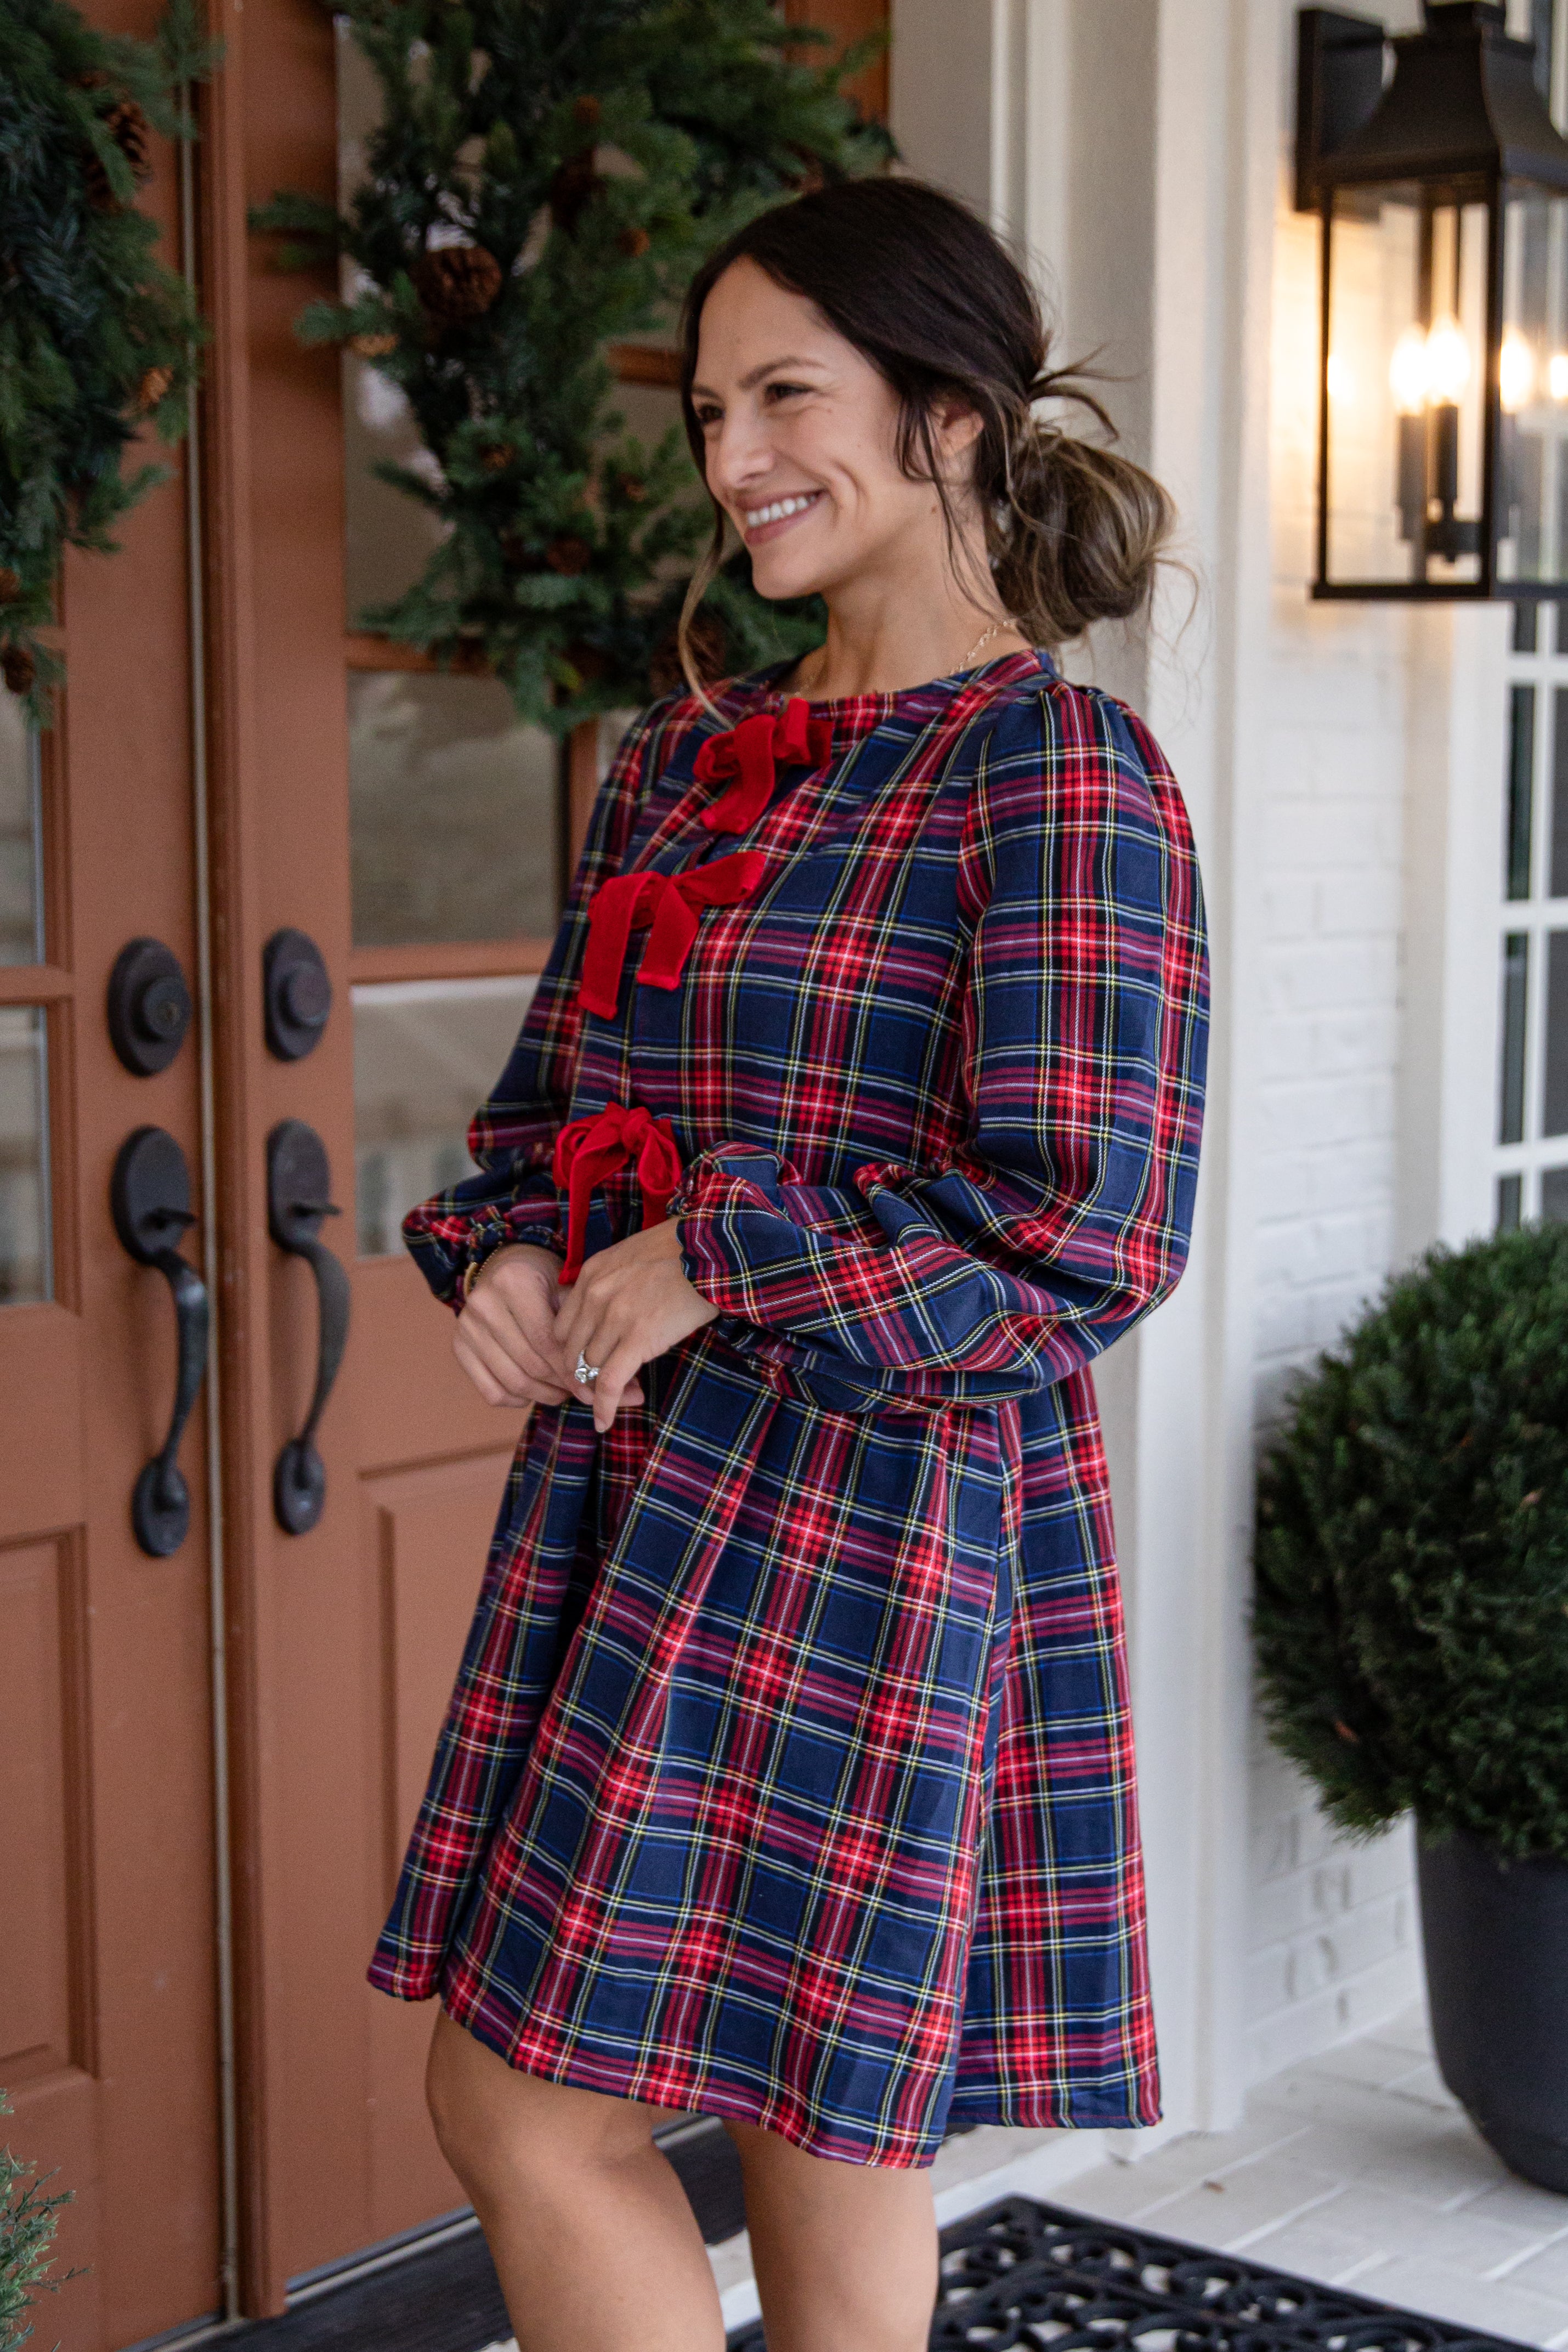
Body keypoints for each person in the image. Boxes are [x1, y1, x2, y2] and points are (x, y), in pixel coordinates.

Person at [369, 176, 1209, 2352]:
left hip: (871, 1531)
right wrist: (508, 1251)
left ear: (945, 414)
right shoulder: (689, 756)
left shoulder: (1056, 771)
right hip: (645, 1506)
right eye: (708, 406)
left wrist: (727, 1259)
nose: (731, 455)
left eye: (784, 396)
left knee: (536, 2104)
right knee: (806, 2144)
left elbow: (1087, 1236)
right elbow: (551, 1106)